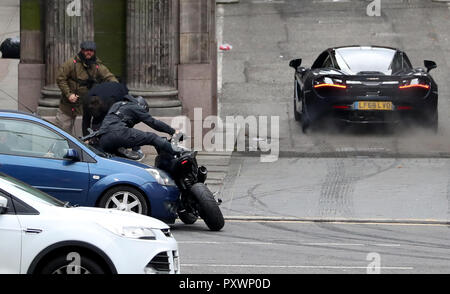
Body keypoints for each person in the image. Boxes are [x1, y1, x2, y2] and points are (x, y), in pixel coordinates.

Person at [56, 41, 118, 136]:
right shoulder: (71, 63)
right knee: (62, 130)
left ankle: (88, 143)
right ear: (82, 50)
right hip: (70, 103)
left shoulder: (97, 65)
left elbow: (108, 76)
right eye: (86, 50)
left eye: (91, 50)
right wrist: (69, 94)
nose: (89, 52)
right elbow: (61, 78)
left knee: (89, 127)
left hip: (87, 102)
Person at [97, 95, 181, 157]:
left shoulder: (117, 105)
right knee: (152, 137)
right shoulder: (136, 107)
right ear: (142, 106)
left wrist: (135, 148)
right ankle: (179, 152)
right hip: (119, 132)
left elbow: (130, 133)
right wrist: (173, 132)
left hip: (103, 138)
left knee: (121, 161)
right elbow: (154, 122)